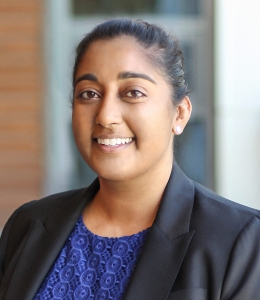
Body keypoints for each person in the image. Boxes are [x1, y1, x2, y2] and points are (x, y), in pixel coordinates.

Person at [0, 18, 260, 300]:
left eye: (133, 93)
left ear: (180, 113)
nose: (105, 116)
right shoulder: (27, 226)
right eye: (89, 94)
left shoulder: (239, 239)